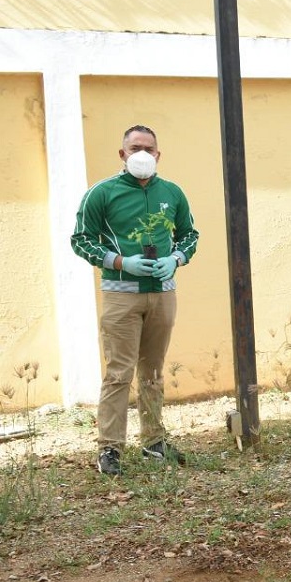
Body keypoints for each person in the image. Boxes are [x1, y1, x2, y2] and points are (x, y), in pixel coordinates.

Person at [70, 125, 199, 476]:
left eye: (149, 149)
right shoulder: (102, 193)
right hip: (121, 296)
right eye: (135, 148)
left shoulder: (172, 192)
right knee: (118, 374)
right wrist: (119, 261)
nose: (142, 154)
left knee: (153, 372)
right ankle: (109, 448)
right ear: (122, 154)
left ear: (158, 155)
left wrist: (176, 259)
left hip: (162, 293)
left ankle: (154, 442)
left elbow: (189, 235)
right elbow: (81, 239)